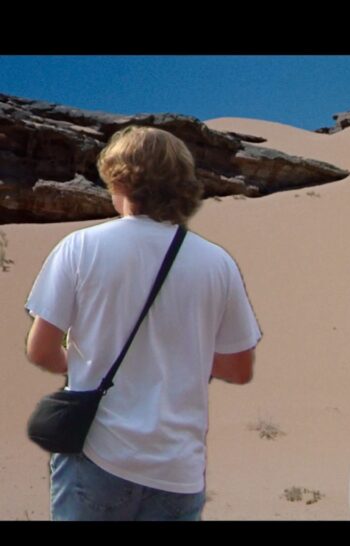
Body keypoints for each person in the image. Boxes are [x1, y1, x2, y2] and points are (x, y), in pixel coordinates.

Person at [25, 126, 262, 521]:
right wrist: (181, 357)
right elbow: (239, 369)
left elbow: (41, 350)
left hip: (98, 454)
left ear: (119, 179)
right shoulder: (217, 263)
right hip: (178, 471)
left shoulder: (81, 247)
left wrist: (84, 362)